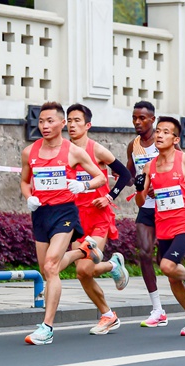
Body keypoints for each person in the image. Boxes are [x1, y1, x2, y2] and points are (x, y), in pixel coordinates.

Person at [21, 102, 107, 345]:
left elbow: (100, 177)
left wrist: (84, 186)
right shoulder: (30, 152)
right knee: (47, 270)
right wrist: (29, 197)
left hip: (64, 212)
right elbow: (24, 182)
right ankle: (84, 250)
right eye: (41, 121)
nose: (45, 126)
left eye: (50, 121)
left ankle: (47, 327)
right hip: (40, 213)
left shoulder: (73, 151)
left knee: (50, 265)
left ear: (62, 124)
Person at [135, 116, 185, 336]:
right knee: (170, 275)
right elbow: (141, 203)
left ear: (176, 138)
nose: (159, 135)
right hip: (163, 225)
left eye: (166, 132)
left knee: (168, 266)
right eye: (158, 131)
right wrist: (140, 189)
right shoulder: (150, 166)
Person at [59, 103, 131, 335]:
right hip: (75, 219)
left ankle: (111, 268)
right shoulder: (63, 151)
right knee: (82, 272)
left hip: (98, 217)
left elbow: (126, 175)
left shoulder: (96, 149)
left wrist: (109, 198)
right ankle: (108, 311)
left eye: (77, 120)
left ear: (87, 125)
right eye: (69, 120)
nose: (72, 125)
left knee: (85, 268)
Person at [126, 101, 167, 327]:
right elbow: (130, 173)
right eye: (134, 118)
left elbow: (179, 170)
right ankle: (157, 308)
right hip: (146, 207)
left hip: (168, 208)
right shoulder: (134, 145)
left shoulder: (163, 143)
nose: (137, 122)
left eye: (142, 118)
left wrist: (158, 183)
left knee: (164, 260)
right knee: (144, 253)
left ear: (153, 119)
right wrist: (133, 180)